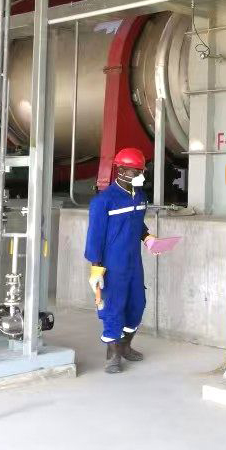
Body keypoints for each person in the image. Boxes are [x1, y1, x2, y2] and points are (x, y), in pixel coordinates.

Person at [86, 147, 156, 374]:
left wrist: (147, 237)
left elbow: (137, 223)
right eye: (136, 172)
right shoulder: (103, 201)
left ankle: (125, 346)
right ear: (122, 171)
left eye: (142, 171)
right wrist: (96, 267)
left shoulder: (140, 196)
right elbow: (95, 235)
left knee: (138, 303)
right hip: (112, 264)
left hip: (134, 262)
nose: (141, 176)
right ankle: (113, 355)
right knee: (113, 307)